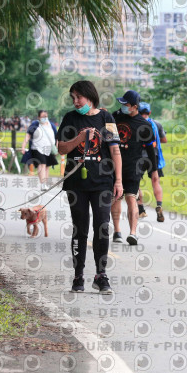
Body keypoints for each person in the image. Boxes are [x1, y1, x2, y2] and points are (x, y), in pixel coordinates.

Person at [57, 80, 123, 294]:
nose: (76, 102)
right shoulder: (70, 118)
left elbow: (115, 151)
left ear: (90, 96)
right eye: (73, 98)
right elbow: (61, 149)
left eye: (79, 97)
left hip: (103, 182)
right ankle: (78, 276)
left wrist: (119, 180)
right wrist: (80, 138)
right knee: (80, 229)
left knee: (102, 227)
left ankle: (101, 275)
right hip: (77, 184)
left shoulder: (107, 118)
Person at [110, 90, 157, 246]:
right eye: (122, 103)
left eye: (126, 104)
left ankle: (133, 233)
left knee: (131, 198)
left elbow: (151, 150)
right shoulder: (115, 117)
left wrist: (153, 170)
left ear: (135, 107)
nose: (123, 106)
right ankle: (117, 231)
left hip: (133, 167)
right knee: (115, 197)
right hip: (114, 166)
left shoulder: (144, 125)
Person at [136, 102, 167, 222]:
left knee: (136, 183)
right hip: (153, 156)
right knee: (156, 181)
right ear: (149, 112)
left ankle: (141, 209)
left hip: (139, 157)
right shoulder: (156, 124)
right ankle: (159, 205)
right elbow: (164, 140)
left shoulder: (136, 123)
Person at [21, 110, 58, 190]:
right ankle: (43, 184)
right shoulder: (35, 125)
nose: (44, 118)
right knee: (42, 164)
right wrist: (23, 146)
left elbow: (56, 138)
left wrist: (57, 148)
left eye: (46, 116)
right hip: (37, 148)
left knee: (47, 166)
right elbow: (28, 136)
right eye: (42, 117)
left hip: (49, 149)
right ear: (38, 117)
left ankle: (45, 183)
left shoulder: (51, 125)